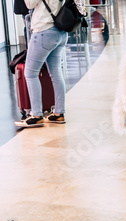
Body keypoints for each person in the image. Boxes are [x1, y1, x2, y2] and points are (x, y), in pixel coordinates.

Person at [15, 0, 69, 128]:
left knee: (30, 73)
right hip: (60, 30)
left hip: (44, 31)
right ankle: (59, 113)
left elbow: (29, 4)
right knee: (56, 72)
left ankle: (36, 115)